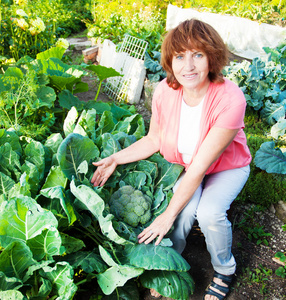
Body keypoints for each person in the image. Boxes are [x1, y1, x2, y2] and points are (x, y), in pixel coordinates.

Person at [91, 19, 251, 300]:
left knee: (208, 213)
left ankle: (224, 269)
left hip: (226, 168)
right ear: (170, 60)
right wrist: (115, 158)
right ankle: (167, 266)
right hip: (188, 166)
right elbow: (154, 139)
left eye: (197, 55)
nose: (188, 66)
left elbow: (201, 168)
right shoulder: (165, 91)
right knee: (184, 212)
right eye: (179, 56)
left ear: (212, 57)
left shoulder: (230, 99)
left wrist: (166, 216)